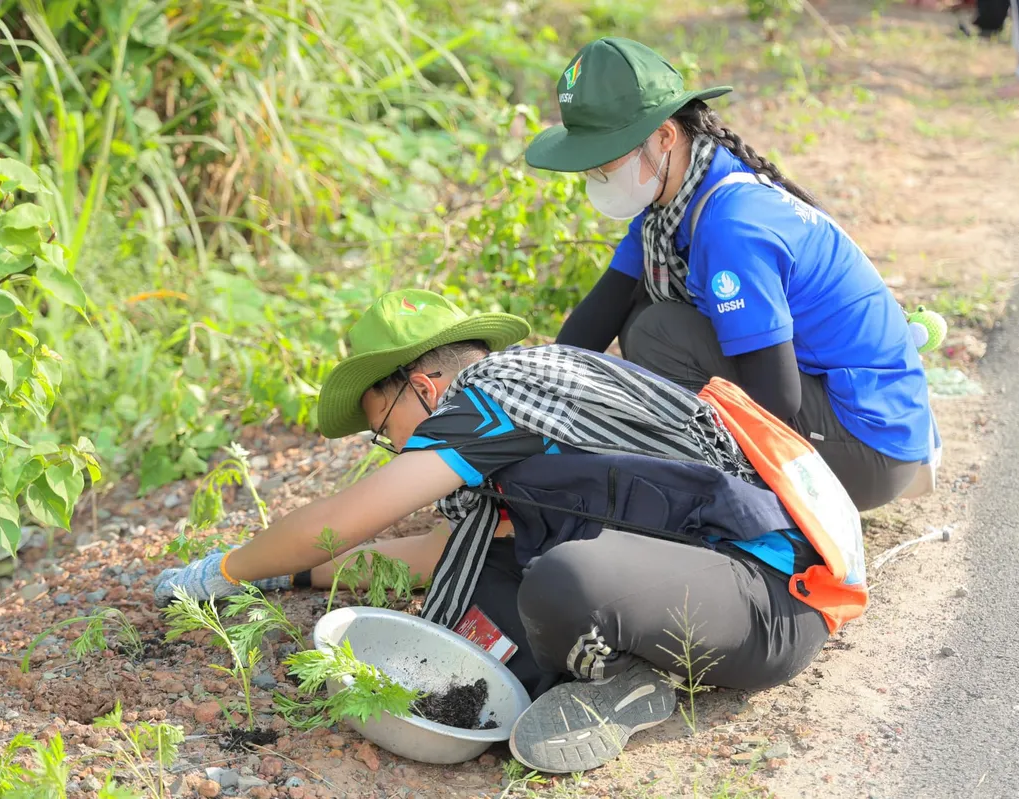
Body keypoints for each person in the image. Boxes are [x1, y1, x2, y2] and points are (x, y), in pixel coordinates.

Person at [154, 289, 867, 774]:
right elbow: (434, 554)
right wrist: (292, 577)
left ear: (424, 386)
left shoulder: (494, 398)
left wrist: (227, 569)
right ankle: (614, 662)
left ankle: (628, 679)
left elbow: (340, 522)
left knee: (563, 580)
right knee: (488, 598)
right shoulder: (510, 446)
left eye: (384, 427)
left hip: (772, 594)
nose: (392, 447)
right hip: (699, 583)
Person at [524, 37, 939, 512]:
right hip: (848, 415)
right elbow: (601, 313)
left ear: (664, 136)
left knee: (659, 331)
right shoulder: (674, 203)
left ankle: (743, 500)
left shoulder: (730, 226)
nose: (597, 173)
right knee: (642, 314)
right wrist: (532, 392)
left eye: (607, 158)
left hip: (868, 448)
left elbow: (777, 396)